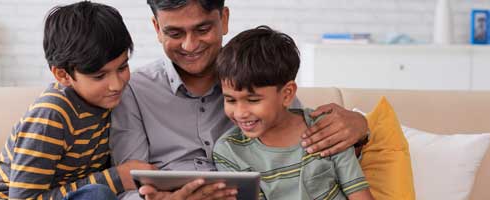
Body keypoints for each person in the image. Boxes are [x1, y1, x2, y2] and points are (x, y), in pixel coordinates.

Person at [109, 0, 370, 199]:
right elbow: (130, 182)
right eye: (175, 33)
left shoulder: (256, 72)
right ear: (157, 29)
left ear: (224, 19)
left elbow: (298, 134)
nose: (189, 45)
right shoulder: (133, 90)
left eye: (202, 28)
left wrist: (362, 127)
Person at [0, 1, 153, 199]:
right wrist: (116, 179)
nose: (116, 84)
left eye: (122, 68)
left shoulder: (111, 102)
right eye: (99, 76)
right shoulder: (52, 114)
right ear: (63, 75)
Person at [212, 25, 374, 200]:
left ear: (287, 94)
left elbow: (359, 195)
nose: (240, 113)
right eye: (230, 100)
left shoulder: (326, 130)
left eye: (253, 100)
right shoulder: (229, 151)